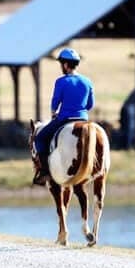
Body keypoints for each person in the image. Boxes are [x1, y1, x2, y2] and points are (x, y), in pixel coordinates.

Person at [32, 47, 95, 186]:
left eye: (61, 64)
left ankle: (45, 172)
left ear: (65, 65)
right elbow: (90, 104)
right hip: (83, 118)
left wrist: (54, 112)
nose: (61, 67)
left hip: (65, 119)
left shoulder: (61, 81)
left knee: (40, 138)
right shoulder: (87, 81)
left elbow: (55, 102)